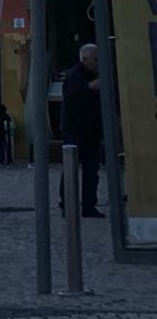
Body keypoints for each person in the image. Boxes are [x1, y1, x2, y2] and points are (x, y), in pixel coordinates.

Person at [60, 43, 104, 218]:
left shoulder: (95, 75)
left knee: (91, 172)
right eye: (96, 59)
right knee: (70, 170)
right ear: (85, 59)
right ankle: (67, 205)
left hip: (92, 130)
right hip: (75, 130)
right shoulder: (74, 76)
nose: (98, 63)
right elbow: (73, 94)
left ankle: (89, 206)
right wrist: (90, 87)